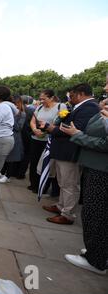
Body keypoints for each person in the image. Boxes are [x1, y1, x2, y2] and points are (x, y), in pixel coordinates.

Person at [59, 97, 108, 274]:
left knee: (95, 214)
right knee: (95, 214)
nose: (105, 88)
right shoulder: (101, 108)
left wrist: (78, 135)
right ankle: (97, 251)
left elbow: (104, 143)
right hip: (95, 167)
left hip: (102, 170)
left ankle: (96, 260)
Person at [39, 83, 100, 225]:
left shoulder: (89, 107)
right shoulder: (81, 107)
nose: (69, 99)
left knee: (70, 184)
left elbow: (76, 129)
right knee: (63, 182)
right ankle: (61, 206)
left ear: (80, 94)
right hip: (63, 151)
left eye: (71, 96)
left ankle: (68, 214)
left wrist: (51, 128)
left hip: (70, 152)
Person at [28, 90, 61, 193]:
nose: (41, 101)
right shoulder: (39, 107)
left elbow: (61, 123)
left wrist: (47, 130)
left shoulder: (60, 107)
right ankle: (34, 185)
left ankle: (44, 187)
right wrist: (34, 130)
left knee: (46, 164)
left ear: (51, 98)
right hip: (36, 138)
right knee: (34, 162)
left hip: (49, 140)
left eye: (44, 99)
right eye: (40, 99)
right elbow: (33, 121)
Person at [0, 95, 26, 183]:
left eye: (15, 104)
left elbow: (19, 127)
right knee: (5, 156)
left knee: (12, 158)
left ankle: (8, 176)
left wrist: (12, 118)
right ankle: (3, 173)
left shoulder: (22, 114)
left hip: (15, 137)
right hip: (6, 136)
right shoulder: (8, 112)